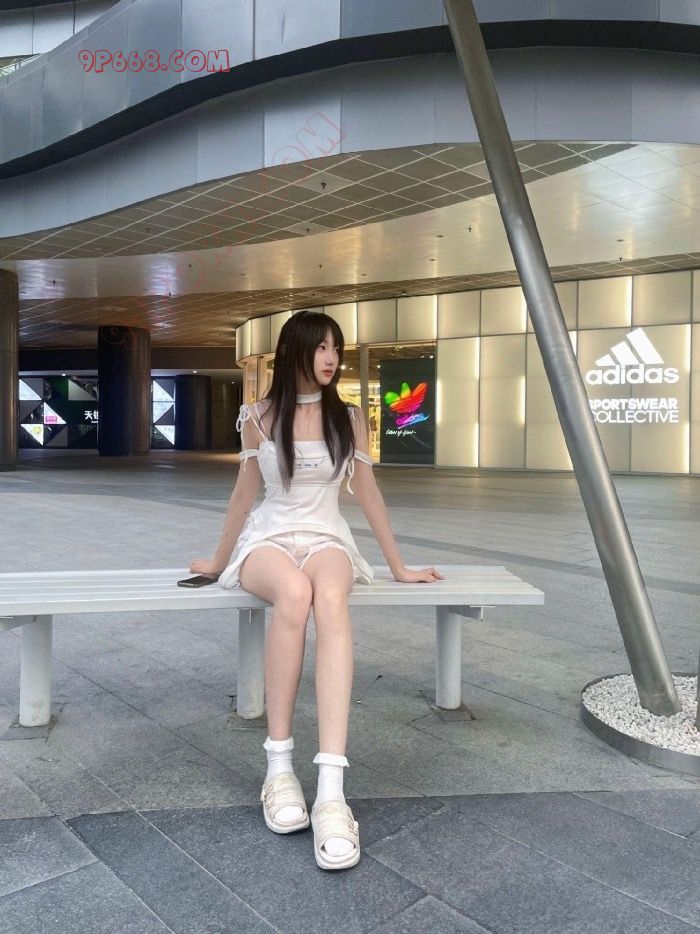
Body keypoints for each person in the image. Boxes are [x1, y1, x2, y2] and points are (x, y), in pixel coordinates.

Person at [190, 310, 444, 871]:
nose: (331, 358)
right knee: (294, 593)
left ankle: (331, 791)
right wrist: (217, 560)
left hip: (327, 536)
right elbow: (244, 494)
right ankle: (278, 769)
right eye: (321, 347)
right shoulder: (257, 416)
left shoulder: (348, 418)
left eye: (336, 348)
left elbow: (367, 492)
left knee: (327, 596)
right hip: (269, 540)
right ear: (294, 352)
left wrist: (399, 566)